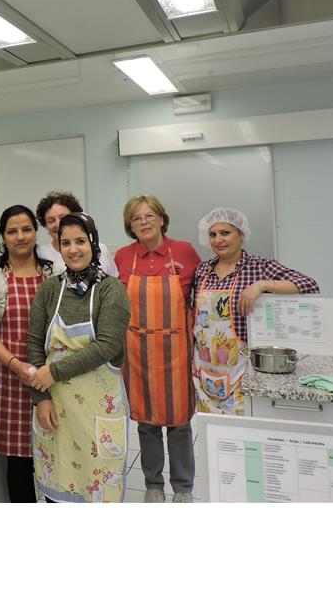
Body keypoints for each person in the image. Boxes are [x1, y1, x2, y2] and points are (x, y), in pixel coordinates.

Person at [27, 212, 131, 503]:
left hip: (96, 412)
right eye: (66, 242)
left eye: (80, 241)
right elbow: (34, 344)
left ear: (93, 244)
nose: (73, 249)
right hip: (55, 409)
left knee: (97, 494)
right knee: (58, 491)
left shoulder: (111, 290)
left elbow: (106, 346)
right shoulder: (49, 290)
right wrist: (40, 399)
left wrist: (53, 373)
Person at [114, 194, 201, 503]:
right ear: (130, 226)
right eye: (136, 218)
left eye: (150, 215)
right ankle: (153, 485)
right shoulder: (123, 257)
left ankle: (183, 489)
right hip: (137, 352)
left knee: (179, 423)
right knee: (146, 422)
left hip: (176, 352)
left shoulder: (185, 251)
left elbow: (200, 296)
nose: (144, 222)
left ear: (162, 219)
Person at [193, 207, 320, 416]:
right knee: (211, 430)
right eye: (213, 234)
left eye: (225, 233)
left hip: (240, 369)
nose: (218, 240)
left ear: (241, 234)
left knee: (241, 429)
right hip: (205, 369)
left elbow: (308, 285)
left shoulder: (259, 266)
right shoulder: (202, 270)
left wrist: (262, 285)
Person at [0, 204, 51, 502]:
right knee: (19, 464)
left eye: (26, 229)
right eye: (12, 231)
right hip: (8, 379)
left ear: (36, 232)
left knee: (55, 456)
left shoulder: (54, 273)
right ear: (3, 237)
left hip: (50, 377)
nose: (20, 237)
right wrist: (15, 364)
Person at [35, 191, 118, 277]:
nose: (58, 224)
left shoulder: (101, 250)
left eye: (63, 218)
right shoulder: (40, 254)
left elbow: (113, 280)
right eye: (51, 221)